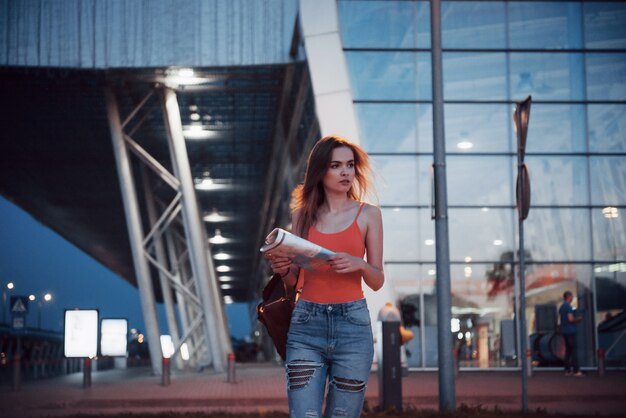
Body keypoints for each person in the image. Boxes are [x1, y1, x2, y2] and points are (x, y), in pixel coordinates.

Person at [267, 135, 384, 418]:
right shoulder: (301, 216)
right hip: (306, 325)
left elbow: (377, 280)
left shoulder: (368, 215)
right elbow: (295, 281)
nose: (346, 172)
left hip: (353, 329)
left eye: (350, 165)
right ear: (320, 171)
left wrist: (359, 264)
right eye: (336, 166)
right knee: (303, 415)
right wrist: (284, 269)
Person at [559, 291, 583, 377]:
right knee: (573, 351)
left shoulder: (562, 307)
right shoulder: (568, 307)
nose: (572, 298)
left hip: (564, 331)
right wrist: (578, 319)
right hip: (570, 331)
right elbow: (571, 319)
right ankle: (576, 370)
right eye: (571, 297)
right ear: (568, 297)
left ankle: (568, 370)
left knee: (568, 351)